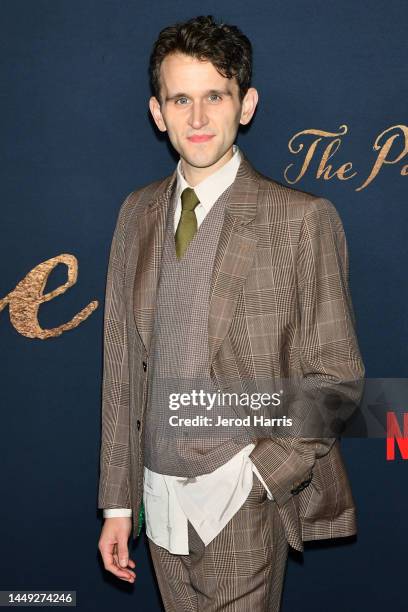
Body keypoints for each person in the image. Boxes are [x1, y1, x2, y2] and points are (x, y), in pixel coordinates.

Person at [97, 14, 365, 611]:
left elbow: (337, 381)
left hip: (243, 506)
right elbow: (121, 373)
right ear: (156, 111)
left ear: (245, 105)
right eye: (181, 99)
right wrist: (118, 505)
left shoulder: (299, 218)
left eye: (214, 96)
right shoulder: (135, 214)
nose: (197, 118)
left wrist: (257, 479)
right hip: (155, 502)